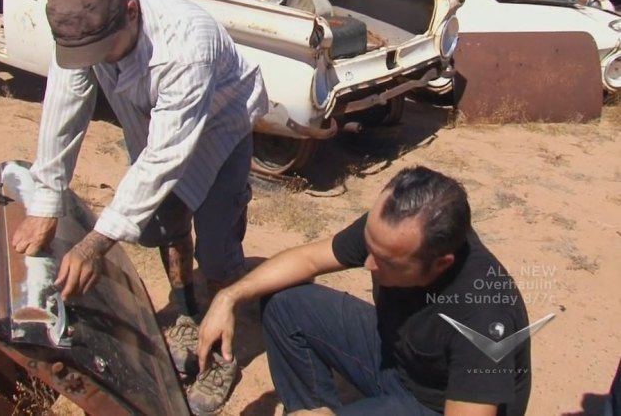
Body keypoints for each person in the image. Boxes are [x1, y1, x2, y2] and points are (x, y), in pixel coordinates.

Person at [10, 0, 268, 411]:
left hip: (219, 128)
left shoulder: (186, 43)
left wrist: (94, 245)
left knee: (216, 247)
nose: (94, 61)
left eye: (103, 51)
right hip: (155, 129)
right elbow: (65, 103)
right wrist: (46, 199)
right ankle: (188, 312)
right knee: (166, 226)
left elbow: (166, 157)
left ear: (131, 11)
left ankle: (221, 352)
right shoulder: (83, 26)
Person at [197, 166, 533, 416]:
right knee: (285, 305)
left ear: (440, 264)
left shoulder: (483, 312)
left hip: (434, 404)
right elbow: (308, 259)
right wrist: (229, 297)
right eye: (369, 246)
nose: (368, 263)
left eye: (384, 260)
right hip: (397, 357)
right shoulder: (394, 230)